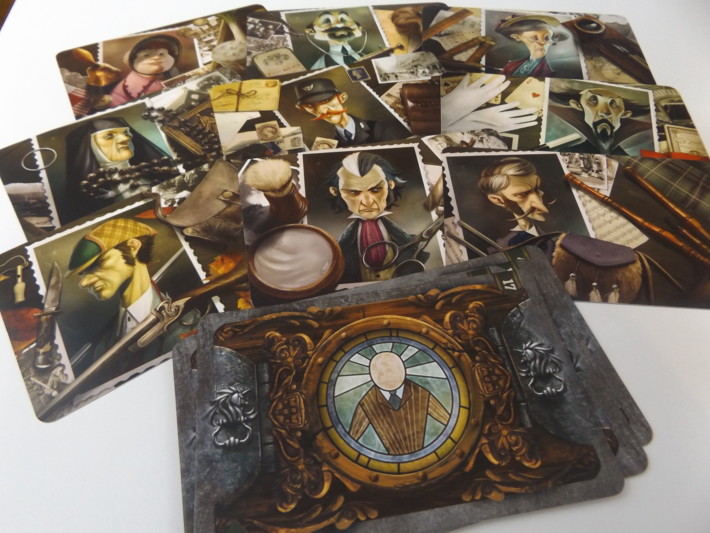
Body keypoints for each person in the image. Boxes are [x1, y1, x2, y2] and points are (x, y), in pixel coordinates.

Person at [67, 218, 195, 376]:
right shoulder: (103, 347)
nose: (84, 283)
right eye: (82, 274)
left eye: (99, 263)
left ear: (132, 247)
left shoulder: (185, 325)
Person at [325, 151, 427, 283]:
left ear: (390, 185)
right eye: (354, 192)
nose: (367, 202)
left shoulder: (407, 241)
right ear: (335, 192)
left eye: (375, 190)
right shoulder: (338, 249)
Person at [64, 117, 171, 219]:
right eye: (109, 136)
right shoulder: (90, 197)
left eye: (125, 133)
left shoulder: (156, 175)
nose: (125, 138)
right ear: (89, 145)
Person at [349, 351, 449, 455]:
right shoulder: (367, 403)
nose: (387, 376)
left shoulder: (421, 393)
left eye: (390, 370)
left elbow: (448, 421)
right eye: (381, 373)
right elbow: (351, 439)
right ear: (373, 375)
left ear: (402, 370)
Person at [294, 78, 405, 146]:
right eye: (310, 106)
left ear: (342, 98)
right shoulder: (329, 145)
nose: (322, 111)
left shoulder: (381, 129)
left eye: (327, 100)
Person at [547, 84, 652, 155]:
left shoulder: (626, 157)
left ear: (625, 114)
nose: (605, 112)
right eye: (593, 100)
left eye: (613, 104)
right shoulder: (567, 152)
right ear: (578, 105)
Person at [478, 156, 550, 249]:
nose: (539, 204)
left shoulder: (550, 238)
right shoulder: (502, 246)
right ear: (498, 200)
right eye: (522, 194)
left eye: (536, 189)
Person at [109, 35, 181, 107]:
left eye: (161, 54)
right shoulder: (122, 93)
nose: (157, 57)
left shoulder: (172, 72)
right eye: (146, 55)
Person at [495, 14, 565, 77]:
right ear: (517, 37)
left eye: (546, 37)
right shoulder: (509, 67)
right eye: (534, 38)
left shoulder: (557, 65)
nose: (543, 42)